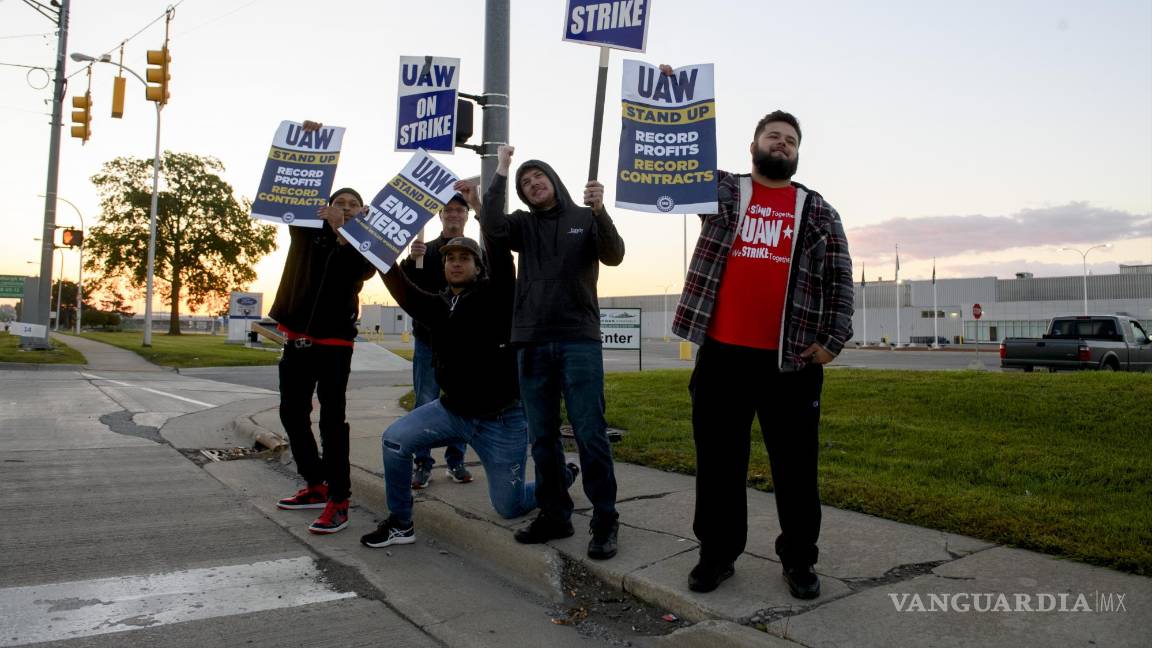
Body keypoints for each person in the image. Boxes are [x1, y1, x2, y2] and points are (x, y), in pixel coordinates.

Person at [673, 108, 854, 599]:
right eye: (773, 136)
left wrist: (833, 341)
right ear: (753, 146)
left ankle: (798, 559)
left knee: (796, 470)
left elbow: (840, 280)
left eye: (790, 140)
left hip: (790, 363)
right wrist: (671, 99)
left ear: (797, 153)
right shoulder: (725, 191)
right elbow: (675, 161)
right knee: (718, 465)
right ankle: (717, 555)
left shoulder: (816, 210)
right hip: (722, 357)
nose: (782, 144)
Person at [361, 183, 578, 548]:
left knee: (508, 507)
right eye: (449, 258)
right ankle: (400, 522)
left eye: (464, 258)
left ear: (478, 267)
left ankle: (558, 480)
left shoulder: (497, 296)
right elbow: (401, 287)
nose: (456, 262)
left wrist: (479, 206)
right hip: (452, 412)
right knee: (395, 441)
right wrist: (374, 238)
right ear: (443, 266)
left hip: (503, 421)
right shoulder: (439, 306)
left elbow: (500, 256)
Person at [479, 145, 625, 560]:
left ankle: (605, 518)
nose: (532, 184)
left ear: (553, 180)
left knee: (589, 432)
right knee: (542, 437)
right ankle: (555, 514)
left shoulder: (583, 216)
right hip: (532, 341)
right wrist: (503, 170)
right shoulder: (523, 226)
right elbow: (491, 224)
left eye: (537, 176)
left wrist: (600, 210)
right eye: (525, 183)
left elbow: (614, 255)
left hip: (579, 339)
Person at [271, 121, 377, 535]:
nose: (347, 207)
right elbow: (299, 189)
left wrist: (345, 227)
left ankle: (340, 498)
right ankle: (314, 483)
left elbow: (361, 272)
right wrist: (313, 140)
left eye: (354, 204)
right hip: (296, 338)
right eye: (340, 202)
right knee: (291, 413)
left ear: (361, 213)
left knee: (333, 419)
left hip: (334, 343)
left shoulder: (363, 247)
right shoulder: (305, 232)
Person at [400, 193, 475, 489]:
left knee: (462, 403)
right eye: (448, 210)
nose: (454, 214)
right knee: (424, 402)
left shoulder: (474, 252)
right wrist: (409, 259)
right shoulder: (424, 251)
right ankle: (422, 463)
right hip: (428, 340)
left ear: (466, 216)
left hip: (463, 344)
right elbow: (407, 289)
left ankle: (456, 460)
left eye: (460, 210)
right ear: (440, 216)